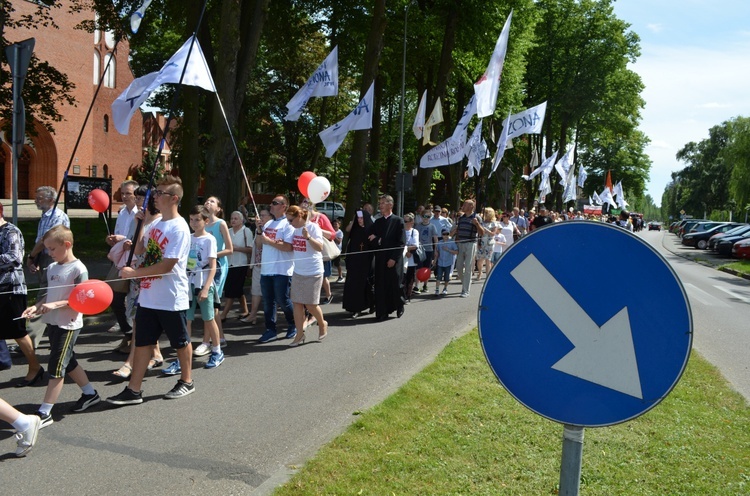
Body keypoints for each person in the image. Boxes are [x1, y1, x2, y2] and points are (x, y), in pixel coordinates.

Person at [107, 176, 194, 405]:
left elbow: (167, 265)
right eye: (155, 192)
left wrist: (134, 274)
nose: (154, 196)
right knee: (143, 342)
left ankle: (187, 381)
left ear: (174, 198)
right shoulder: (156, 224)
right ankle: (133, 390)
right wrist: (140, 224)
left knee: (180, 342)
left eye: (160, 193)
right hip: (148, 296)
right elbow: (138, 251)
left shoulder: (180, 227)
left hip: (170, 297)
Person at [20, 225, 100, 427]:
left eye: (52, 249)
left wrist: (55, 304)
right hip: (53, 322)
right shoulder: (52, 268)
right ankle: (90, 394)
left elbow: (82, 299)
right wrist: (36, 307)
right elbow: (47, 295)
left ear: (67, 245)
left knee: (56, 366)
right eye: (46, 249)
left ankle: (45, 412)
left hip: (68, 324)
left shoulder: (78, 269)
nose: (48, 253)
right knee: (69, 361)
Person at [111, 186, 164, 379]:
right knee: (137, 316)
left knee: (140, 318)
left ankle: (130, 363)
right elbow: (137, 248)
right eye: (138, 197)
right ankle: (156, 353)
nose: (140, 201)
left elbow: (150, 251)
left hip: (149, 275)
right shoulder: (139, 220)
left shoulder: (159, 222)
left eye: (143, 197)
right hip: (135, 274)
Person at [0, 201, 43, 387]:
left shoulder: (11, 231)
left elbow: (15, 257)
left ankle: (35, 367)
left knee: (17, 331)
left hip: (11, 289)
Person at [25, 185, 70, 349]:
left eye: (40, 198)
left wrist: (31, 256)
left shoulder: (57, 216)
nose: (36, 201)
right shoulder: (45, 216)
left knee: (44, 294)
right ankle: (54, 331)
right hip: (44, 257)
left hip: (54, 259)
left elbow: (46, 241)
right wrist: (35, 259)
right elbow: (41, 240)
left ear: (51, 199)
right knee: (50, 294)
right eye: (36, 197)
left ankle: (30, 340)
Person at [185, 206, 224, 369]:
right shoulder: (188, 237)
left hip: (204, 283)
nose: (193, 223)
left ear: (206, 221)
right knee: (186, 318)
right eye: (191, 219)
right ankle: (184, 353)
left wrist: (206, 288)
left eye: (197, 220)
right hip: (189, 282)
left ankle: (216, 350)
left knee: (208, 318)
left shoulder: (209, 239)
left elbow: (213, 266)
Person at [256, 195, 297, 343]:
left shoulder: (288, 225)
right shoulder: (268, 224)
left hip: (282, 269)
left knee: (282, 299)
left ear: (284, 206)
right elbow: (259, 244)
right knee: (268, 302)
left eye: (275, 203)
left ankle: (293, 324)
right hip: (266, 269)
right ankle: (270, 329)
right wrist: (259, 231)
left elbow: (289, 247)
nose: (271, 205)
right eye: (271, 203)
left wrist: (270, 241)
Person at [286, 205, 328, 346]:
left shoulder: (313, 227)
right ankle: (299, 334)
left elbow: (320, 247)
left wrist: (308, 237)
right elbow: (290, 246)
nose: (289, 223)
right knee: (297, 303)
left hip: (313, 272)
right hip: (298, 271)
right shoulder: (293, 229)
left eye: (291, 220)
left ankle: (322, 323)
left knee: (310, 305)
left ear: (299, 217)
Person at [106, 180, 139, 354]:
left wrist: (126, 242)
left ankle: (133, 339)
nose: (125, 197)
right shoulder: (121, 213)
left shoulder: (139, 214)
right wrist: (112, 240)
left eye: (129, 193)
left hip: (134, 262)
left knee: (133, 302)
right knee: (114, 298)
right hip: (120, 260)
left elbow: (136, 238)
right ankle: (128, 334)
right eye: (123, 193)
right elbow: (119, 237)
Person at [200, 196, 233, 350]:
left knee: (211, 304)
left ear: (219, 209)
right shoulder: (200, 223)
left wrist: (212, 255)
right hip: (202, 266)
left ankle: (207, 341)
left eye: (212, 201)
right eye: (207, 200)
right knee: (210, 305)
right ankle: (220, 337)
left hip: (218, 266)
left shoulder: (221, 224)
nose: (208, 203)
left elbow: (229, 249)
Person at [367, 195, 405, 321]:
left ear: (390, 205)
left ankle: (399, 305)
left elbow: (400, 243)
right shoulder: (378, 222)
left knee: (395, 285)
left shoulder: (398, 221)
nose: (380, 205)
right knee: (381, 286)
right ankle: (382, 312)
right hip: (380, 259)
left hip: (394, 259)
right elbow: (371, 239)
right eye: (380, 203)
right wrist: (379, 240)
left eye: (383, 203)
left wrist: (394, 259)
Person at [219, 211, 253, 322]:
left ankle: (223, 314)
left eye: (236, 218)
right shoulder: (228, 231)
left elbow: (250, 249)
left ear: (241, 220)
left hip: (241, 264)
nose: (233, 220)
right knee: (237, 290)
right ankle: (246, 311)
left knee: (231, 290)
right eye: (232, 218)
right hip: (229, 264)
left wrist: (236, 248)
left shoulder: (246, 231)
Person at [302, 199, 335, 305]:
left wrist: (317, 230)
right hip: (305, 253)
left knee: (323, 276)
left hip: (320, 252)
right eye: (303, 202)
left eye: (307, 203)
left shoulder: (321, 217)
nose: (304, 205)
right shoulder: (301, 218)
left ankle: (328, 294)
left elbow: (332, 235)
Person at [342, 208, 374, 317]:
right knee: (353, 285)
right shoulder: (355, 229)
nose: (360, 220)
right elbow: (350, 243)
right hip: (354, 263)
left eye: (361, 218)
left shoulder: (371, 229)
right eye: (358, 218)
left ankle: (366, 305)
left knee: (364, 285)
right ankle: (353, 307)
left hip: (365, 263)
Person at [450, 199, 484, 298]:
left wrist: (477, 224)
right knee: (459, 267)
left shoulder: (476, 217)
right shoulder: (461, 218)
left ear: (471, 207)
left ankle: (465, 290)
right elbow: (458, 231)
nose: (462, 206)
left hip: (471, 243)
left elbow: (482, 233)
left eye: (465, 205)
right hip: (461, 244)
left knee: (468, 267)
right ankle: (465, 282)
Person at [244, 209, 271, 325]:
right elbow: (258, 246)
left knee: (270, 292)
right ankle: (253, 315)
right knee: (255, 290)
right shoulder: (258, 229)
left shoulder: (272, 229)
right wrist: (259, 229)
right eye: (260, 215)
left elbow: (262, 245)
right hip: (258, 264)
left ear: (270, 217)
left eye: (263, 215)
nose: (260, 217)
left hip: (269, 266)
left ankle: (271, 318)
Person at [416, 209, 439, 293]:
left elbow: (435, 239)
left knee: (427, 268)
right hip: (419, 250)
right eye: (424, 216)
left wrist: (436, 250)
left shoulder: (432, 226)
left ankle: (425, 285)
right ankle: (416, 286)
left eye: (428, 217)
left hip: (429, 250)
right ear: (421, 217)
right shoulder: (418, 226)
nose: (426, 218)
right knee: (418, 268)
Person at [476, 207, 498, 281]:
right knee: (479, 260)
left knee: (488, 260)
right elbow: (479, 233)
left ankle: (488, 276)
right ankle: (480, 272)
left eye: (486, 213)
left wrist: (486, 230)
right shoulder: (482, 222)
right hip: (481, 242)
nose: (485, 214)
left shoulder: (494, 223)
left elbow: (493, 234)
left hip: (489, 243)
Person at [403, 214, 421, 302]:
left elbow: (415, 245)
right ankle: (401, 295)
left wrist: (407, 250)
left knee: (409, 277)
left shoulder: (415, 232)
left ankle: (407, 296)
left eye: (406, 221)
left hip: (411, 258)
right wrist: (405, 250)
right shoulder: (401, 231)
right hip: (402, 258)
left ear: (411, 222)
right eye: (404, 221)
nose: (404, 223)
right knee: (402, 277)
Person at [434, 230, 458, 296]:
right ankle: (437, 289)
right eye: (444, 234)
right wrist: (435, 260)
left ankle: (445, 288)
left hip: (448, 263)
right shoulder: (439, 243)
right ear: (442, 235)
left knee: (446, 277)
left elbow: (456, 252)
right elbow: (437, 252)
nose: (446, 236)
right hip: (440, 263)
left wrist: (448, 250)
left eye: (447, 234)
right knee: (438, 277)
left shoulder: (452, 242)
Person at [332, 218, 345, 282]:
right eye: (334, 224)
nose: (335, 225)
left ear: (339, 225)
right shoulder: (331, 231)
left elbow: (339, 241)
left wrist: (333, 236)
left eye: (336, 224)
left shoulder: (340, 232)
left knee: (338, 263)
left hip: (337, 251)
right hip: (331, 250)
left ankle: (341, 276)